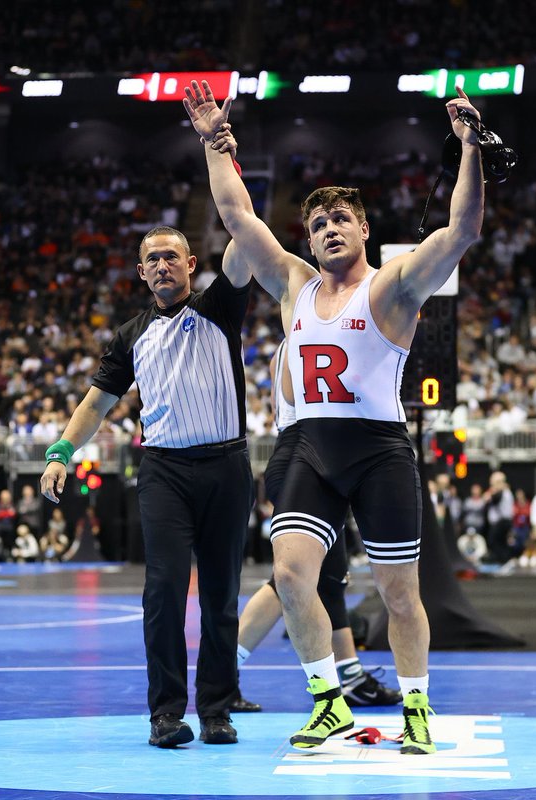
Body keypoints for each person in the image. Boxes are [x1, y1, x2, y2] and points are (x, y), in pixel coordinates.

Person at [184, 79, 485, 753]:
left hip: (377, 448)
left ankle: (417, 709)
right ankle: (329, 703)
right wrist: (212, 143)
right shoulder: (294, 281)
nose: (326, 230)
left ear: (364, 228)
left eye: (339, 220)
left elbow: (463, 230)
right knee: (291, 578)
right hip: (306, 445)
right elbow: (237, 217)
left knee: (401, 596)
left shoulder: (394, 285)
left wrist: (469, 147)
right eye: (317, 224)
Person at [39, 220, 254, 749]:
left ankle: (217, 710)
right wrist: (61, 452)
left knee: (222, 596)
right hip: (163, 472)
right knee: (163, 592)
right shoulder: (131, 336)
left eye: (172, 257)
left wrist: (223, 156)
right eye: (153, 258)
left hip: (226, 466)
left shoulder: (220, 308)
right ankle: (166, 714)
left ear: (190, 266)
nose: (162, 265)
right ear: (141, 271)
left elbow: (245, 239)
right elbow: (96, 403)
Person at [232, 341, 400, 714]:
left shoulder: (291, 344)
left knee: (330, 579)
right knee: (291, 579)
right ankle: (223, 671)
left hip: (304, 457)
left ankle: (350, 675)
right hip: (307, 459)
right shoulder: (305, 341)